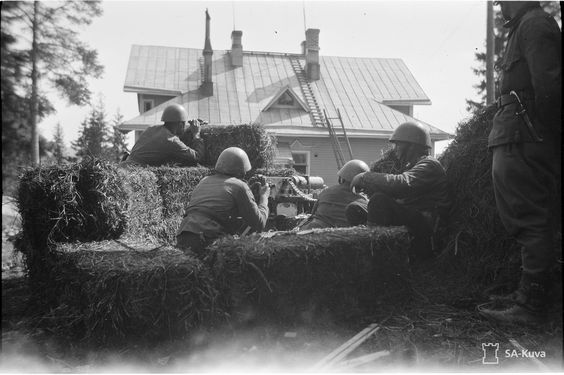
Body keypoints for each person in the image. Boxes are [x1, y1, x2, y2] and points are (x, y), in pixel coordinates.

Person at [478, 1, 561, 324]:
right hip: (515, 133)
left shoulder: (535, 24)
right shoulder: (527, 26)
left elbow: (550, 89)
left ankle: (532, 306)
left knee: (530, 218)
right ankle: (529, 294)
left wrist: (545, 135)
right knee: (522, 217)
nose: (500, 6)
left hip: (524, 136)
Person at [347, 122, 450, 263]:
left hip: (427, 225)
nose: (395, 149)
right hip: (414, 217)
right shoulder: (414, 166)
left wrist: (365, 177)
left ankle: (375, 258)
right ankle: (367, 246)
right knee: (355, 209)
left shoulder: (429, 164)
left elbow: (402, 184)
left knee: (379, 201)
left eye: (398, 145)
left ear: (412, 145)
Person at [176, 147, 270, 255]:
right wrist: (264, 197)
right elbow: (259, 223)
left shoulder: (204, 181)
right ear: (242, 172)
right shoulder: (240, 186)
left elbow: (217, 205)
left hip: (184, 234)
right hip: (208, 237)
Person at [120, 103, 204, 167]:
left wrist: (189, 130)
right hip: (133, 172)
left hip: (123, 166)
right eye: (184, 124)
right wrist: (196, 134)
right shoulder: (171, 141)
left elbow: (171, 138)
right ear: (180, 124)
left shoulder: (151, 129)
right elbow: (196, 157)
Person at [299, 159, 369, 230]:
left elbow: (313, 214)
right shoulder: (364, 200)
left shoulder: (326, 192)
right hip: (347, 234)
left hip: (318, 229)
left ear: (341, 177)